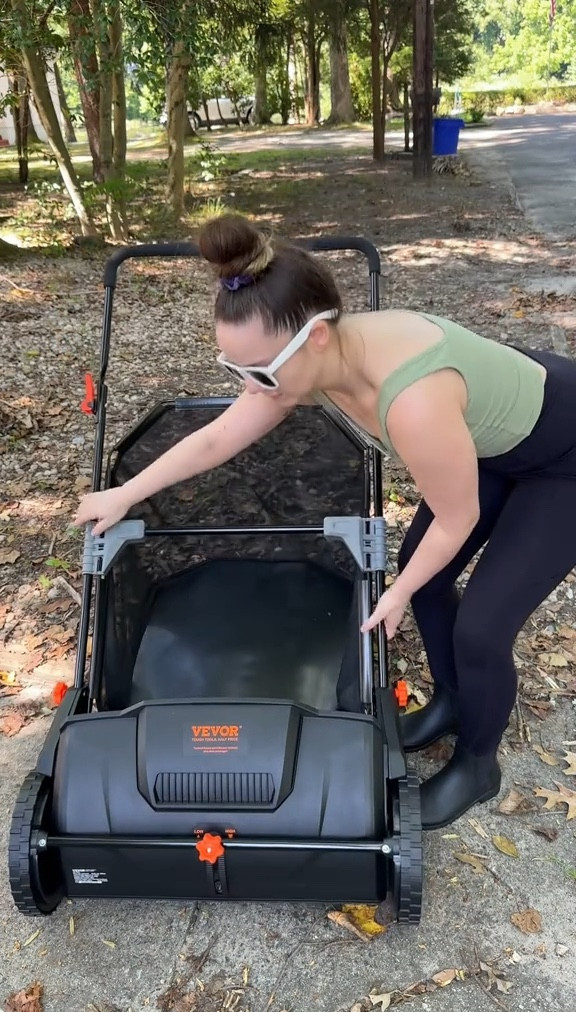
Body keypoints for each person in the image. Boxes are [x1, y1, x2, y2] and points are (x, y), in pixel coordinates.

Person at [75, 214, 576, 830]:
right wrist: (126, 491)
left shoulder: (413, 399)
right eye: (235, 370)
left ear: (314, 337)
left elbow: (457, 517)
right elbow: (217, 438)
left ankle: (478, 763)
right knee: (429, 584)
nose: (249, 387)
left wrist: (397, 590)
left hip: (564, 462)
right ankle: (450, 700)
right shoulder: (313, 362)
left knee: (479, 627)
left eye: (257, 371)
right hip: (495, 439)